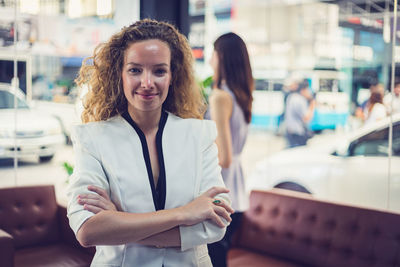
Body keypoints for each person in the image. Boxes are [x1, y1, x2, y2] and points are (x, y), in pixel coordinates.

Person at [67, 19, 234, 267]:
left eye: (159, 71)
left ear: (171, 76)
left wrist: (119, 221)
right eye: (135, 70)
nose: (147, 83)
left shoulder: (200, 135)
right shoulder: (93, 139)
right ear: (120, 74)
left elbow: (216, 223)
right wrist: (183, 214)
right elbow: (88, 231)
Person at [205, 32, 254, 267]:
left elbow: (222, 158)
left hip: (220, 194)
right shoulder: (241, 95)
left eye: (212, 53)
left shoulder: (220, 97)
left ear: (221, 56)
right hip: (238, 193)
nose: (210, 60)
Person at [284, 79, 315, 148]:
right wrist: (312, 103)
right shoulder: (300, 100)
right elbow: (306, 118)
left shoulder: (292, 97)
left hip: (291, 132)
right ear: (303, 90)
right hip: (297, 135)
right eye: (307, 90)